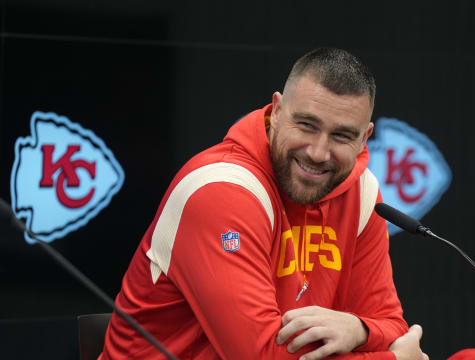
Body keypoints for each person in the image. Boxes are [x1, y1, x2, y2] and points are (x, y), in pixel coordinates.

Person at [101, 48, 428, 360]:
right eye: (306, 125)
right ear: (277, 110)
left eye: (341, 136)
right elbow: (261, 356)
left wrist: (358, 329)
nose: (317, 152)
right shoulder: (220, 191)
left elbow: (390, 325)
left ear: (364, 137)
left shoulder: (362, 193)